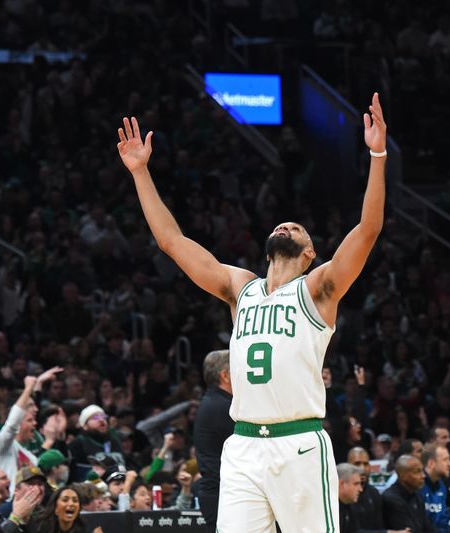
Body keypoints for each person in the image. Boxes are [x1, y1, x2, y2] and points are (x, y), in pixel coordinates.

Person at [117, 92, 388, 533]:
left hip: (299, 443)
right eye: (282, 224)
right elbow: (172, 242)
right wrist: (141, 173)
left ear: (309, 252)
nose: (286, 225)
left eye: (296, 228)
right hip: (242, 445)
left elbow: (368, 228)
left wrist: (377, 154)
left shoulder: (318, 289)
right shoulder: (241, 287)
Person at [0, 368, 62, 494]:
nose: (35, 423)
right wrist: (28, 388)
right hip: (8, 507)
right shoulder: (3, 446)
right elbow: (12, 423)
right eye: (30, 420)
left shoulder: (31, 457)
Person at [193, 349, 233, 530]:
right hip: (221, 495)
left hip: (219, 493)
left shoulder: (214, 401)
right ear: (225, 375)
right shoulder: (222, 406)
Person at [381, 455, 440, 532]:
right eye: (417, 471)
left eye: (422, 471)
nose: (423, 476)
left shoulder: (417, 496)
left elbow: (428, 528)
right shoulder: (390, 499)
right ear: (403, 476)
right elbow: (408, 530)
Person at [421, 444, 450, 533]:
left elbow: (442, 520)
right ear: (431, 463)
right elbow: (422, 527)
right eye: (445, 460)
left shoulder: (441, 484)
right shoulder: (418, 486)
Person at [347, 447, 389, 532]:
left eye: (366, 464)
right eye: (357, 463)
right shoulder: (340, 494)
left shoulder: (374, 493)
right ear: (348, 465)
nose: (362, 468)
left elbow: (379, 526)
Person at [33, 486, 102, 533]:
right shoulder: (40, 528)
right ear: (56, 508)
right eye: (65, 500)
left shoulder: (83, 528)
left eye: (75, 500)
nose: (71, 504)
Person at [337, 463, 365, 533]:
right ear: (342, 484)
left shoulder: (350, 505)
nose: (360, 489)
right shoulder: (329, 509)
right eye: (356, 484)